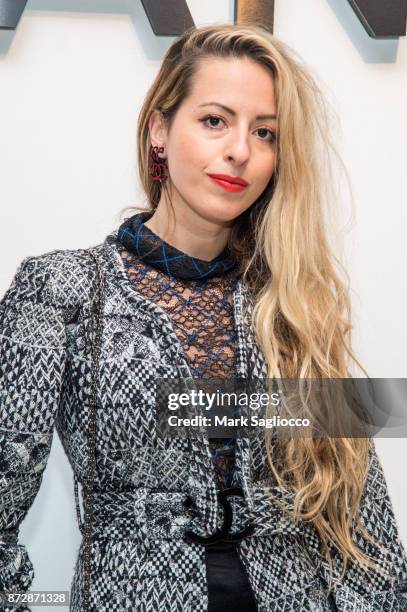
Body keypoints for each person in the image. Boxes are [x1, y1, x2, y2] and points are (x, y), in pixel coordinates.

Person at [1, 22, 406, 612]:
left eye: (264, 132)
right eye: (215, 121)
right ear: (160, 130)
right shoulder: (61, 291)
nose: (240, 150)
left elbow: (361, 523)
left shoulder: (294, 298)